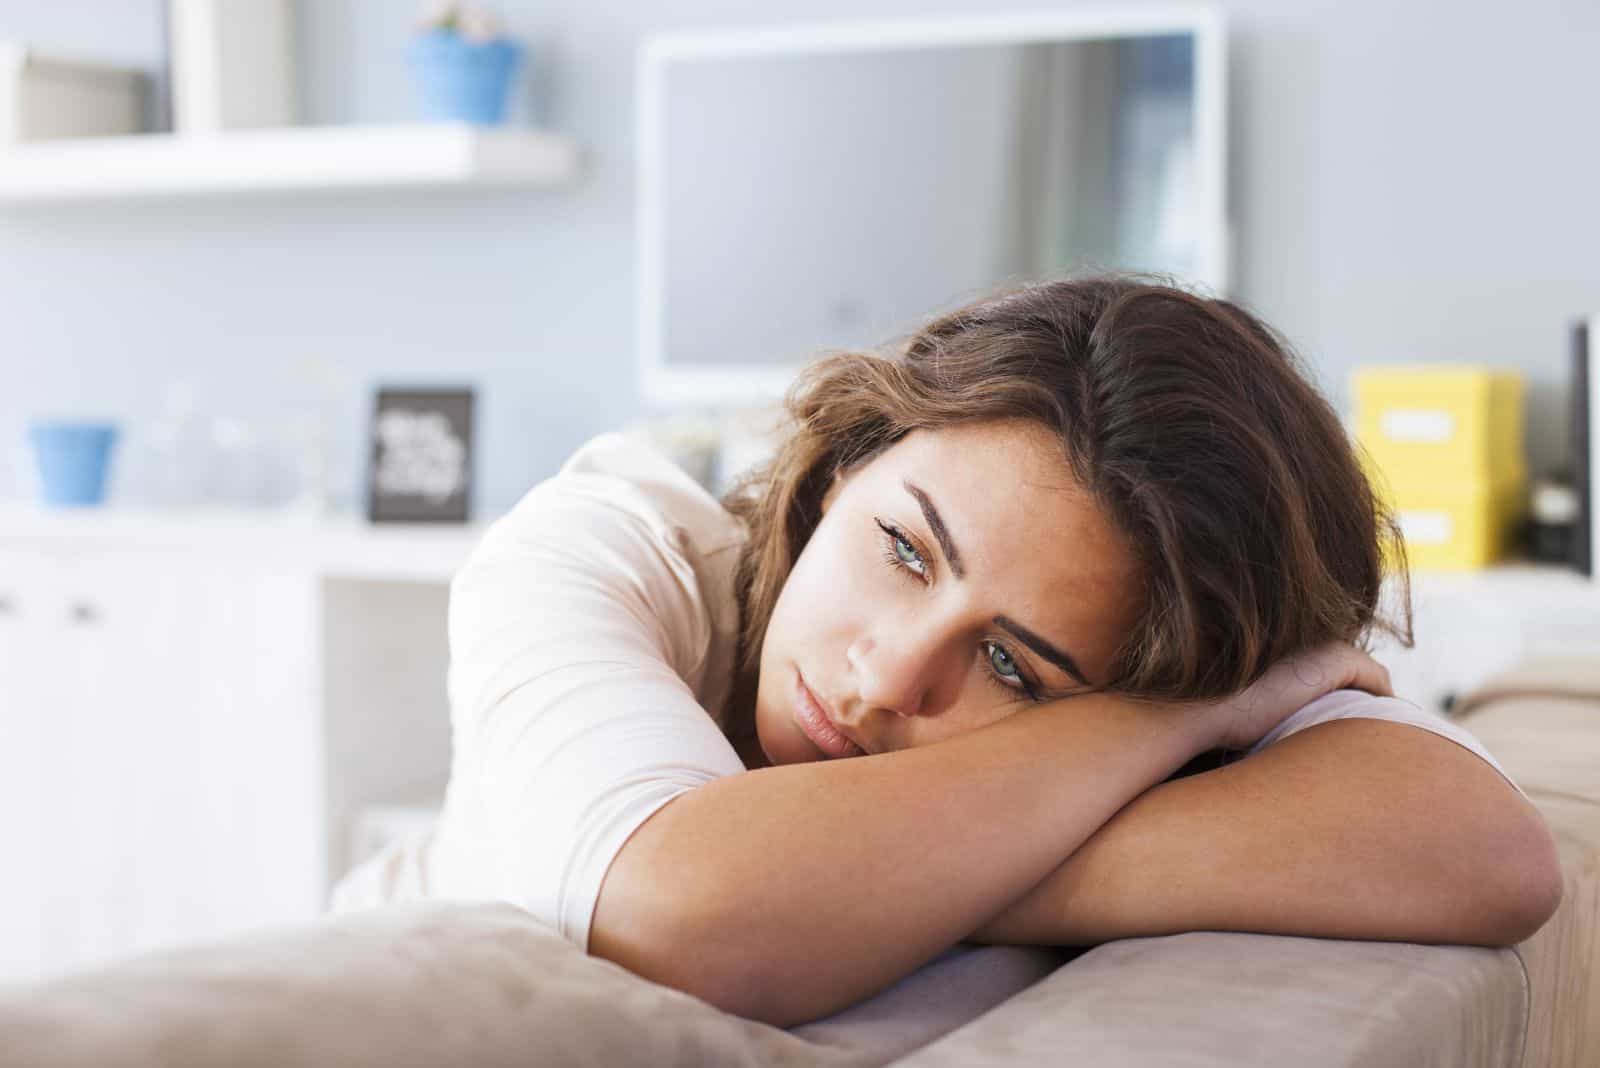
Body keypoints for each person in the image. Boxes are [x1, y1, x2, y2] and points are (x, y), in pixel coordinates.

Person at [330, 274, 1562, 1027]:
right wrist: (1164, 728)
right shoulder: (611, 542)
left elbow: (1485, 849)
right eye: (906, 552)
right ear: (850, 458)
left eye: (1017, 667)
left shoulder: (1180, 680)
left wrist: (879, 879)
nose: (884, 680)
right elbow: (682, 912)